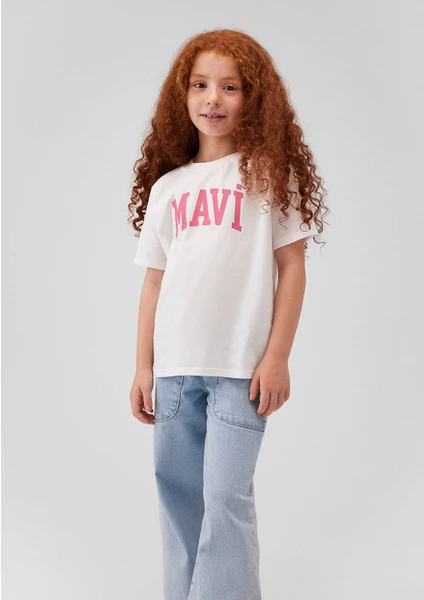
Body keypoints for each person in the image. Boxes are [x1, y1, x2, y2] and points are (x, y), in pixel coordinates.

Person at [128, 28, 328, 600]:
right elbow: (153, 282)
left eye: (230, 87)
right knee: (178, 496)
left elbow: (292, 269)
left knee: (225, 499)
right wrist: (143, 368)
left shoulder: (269, 177)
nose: (212, 98)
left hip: (241, 373)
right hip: (173, 373)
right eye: (200, 85)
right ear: (182, 95)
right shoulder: (169, 188)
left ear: (253, 98)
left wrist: (278, 357)